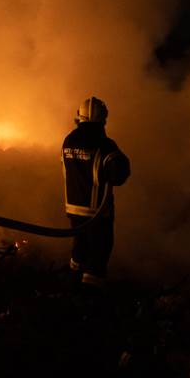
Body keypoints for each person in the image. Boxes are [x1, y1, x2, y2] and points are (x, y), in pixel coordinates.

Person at [62, 97, 130, 288]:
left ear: (79, 118)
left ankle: (72, 282)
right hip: (97, 213)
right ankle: (89, 294)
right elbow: (120, 173)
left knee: (79, 247)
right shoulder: (105, 144)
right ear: (103, 119)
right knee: (99, 251)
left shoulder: (68, 140)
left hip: (74, 210)